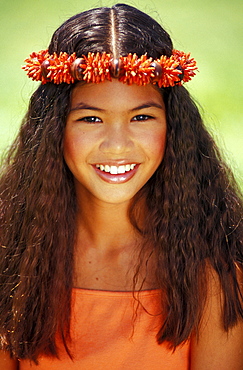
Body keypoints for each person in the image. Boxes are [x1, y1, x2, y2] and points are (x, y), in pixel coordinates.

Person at [0, 3, 242, 369]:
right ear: (54, 129)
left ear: (174, 128)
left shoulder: (213, 273)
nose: (117, 144)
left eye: (142, 116)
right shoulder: (11, 256)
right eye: (91, 117)